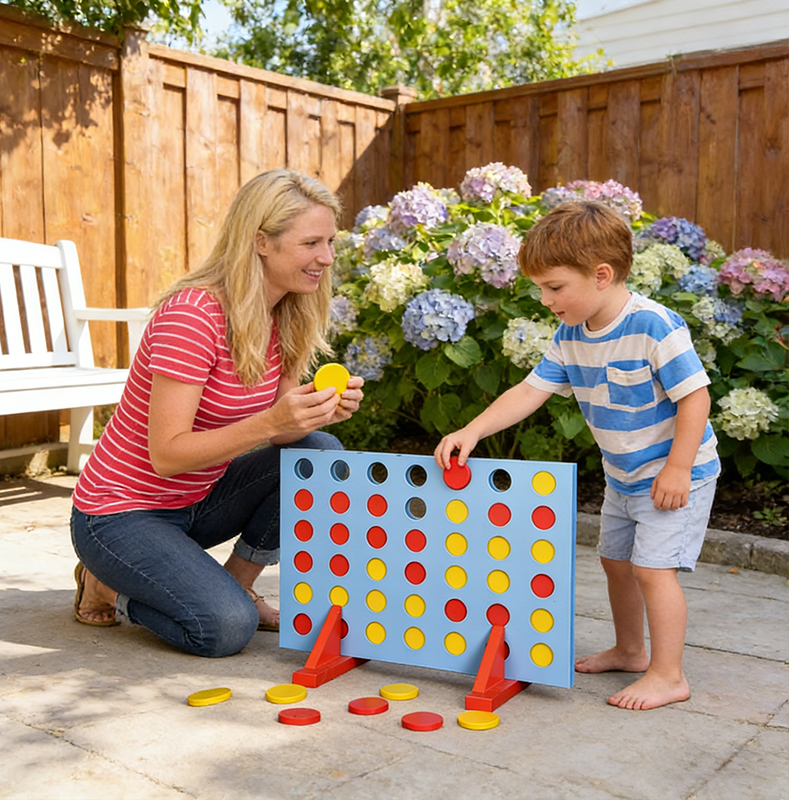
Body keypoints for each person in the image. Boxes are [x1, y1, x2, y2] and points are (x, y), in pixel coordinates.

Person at [435, 201, 719, 710]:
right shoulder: (570, 335)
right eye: (541, 288)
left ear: (602, 275)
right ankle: (632, 651)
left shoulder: (655, 326)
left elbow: (695, 396)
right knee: (615, 563)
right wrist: (472, 430)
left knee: (654, 570)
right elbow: (529, 391)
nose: (545, 299)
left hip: (679, 472)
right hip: (624, 475)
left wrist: (678, 467)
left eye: (554, 287)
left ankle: (668, 674)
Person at [71, 169, 364, 658]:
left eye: (330, 241)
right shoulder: (194, 316)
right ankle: (105, 585)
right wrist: (273, 422)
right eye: (311, 243)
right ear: (260, 242)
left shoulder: (286, 313)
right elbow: (166, 454)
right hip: (120, 513)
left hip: (197, 503)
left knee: (320, 451)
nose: (327, 258)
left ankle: (239, 583)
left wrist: (312, 415)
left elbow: (286, 443)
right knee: (225, 629)